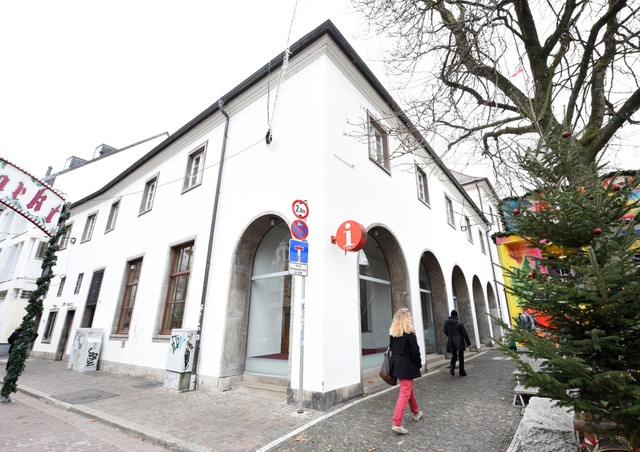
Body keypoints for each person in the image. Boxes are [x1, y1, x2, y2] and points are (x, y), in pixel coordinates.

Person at [388, 307, 424, 435]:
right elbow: (415, 352)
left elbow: (392, 349)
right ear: (404, 318)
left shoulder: (393, 332)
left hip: (397, 366)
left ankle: (416, 412)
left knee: (408, 389)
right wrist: (419, 364)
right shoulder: (409, 333)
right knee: (404, 393)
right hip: (407, 366)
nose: (411, 318)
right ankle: (396, 423)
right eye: (409, 316)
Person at [443, 309, 471, 376]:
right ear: (456, 315)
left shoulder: (446, 322)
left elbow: (444, 330)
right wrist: (468, 342)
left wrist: (449, 336)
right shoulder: (459, 323)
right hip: (459, 341)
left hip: (451, 341)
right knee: (461, 356)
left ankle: (452, 365)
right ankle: (461, 371)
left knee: (454, 355)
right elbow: (464, 333)